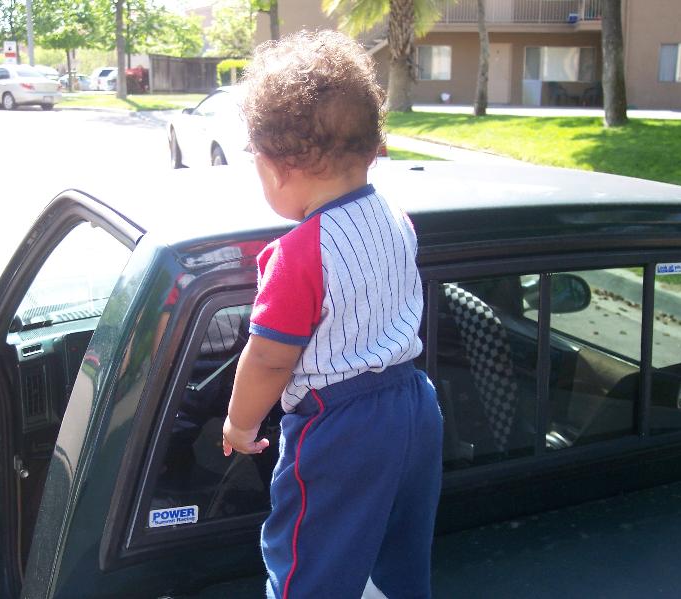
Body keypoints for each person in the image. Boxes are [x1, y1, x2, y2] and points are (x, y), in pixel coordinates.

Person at [222, 30, 443, 599]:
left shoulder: (299, 254)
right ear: (372, 149)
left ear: (275, 169)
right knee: (399, 543)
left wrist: (240, 424)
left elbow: (269, 360)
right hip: (415, 405)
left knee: (310, 554)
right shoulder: (396, 218)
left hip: (341, 426)